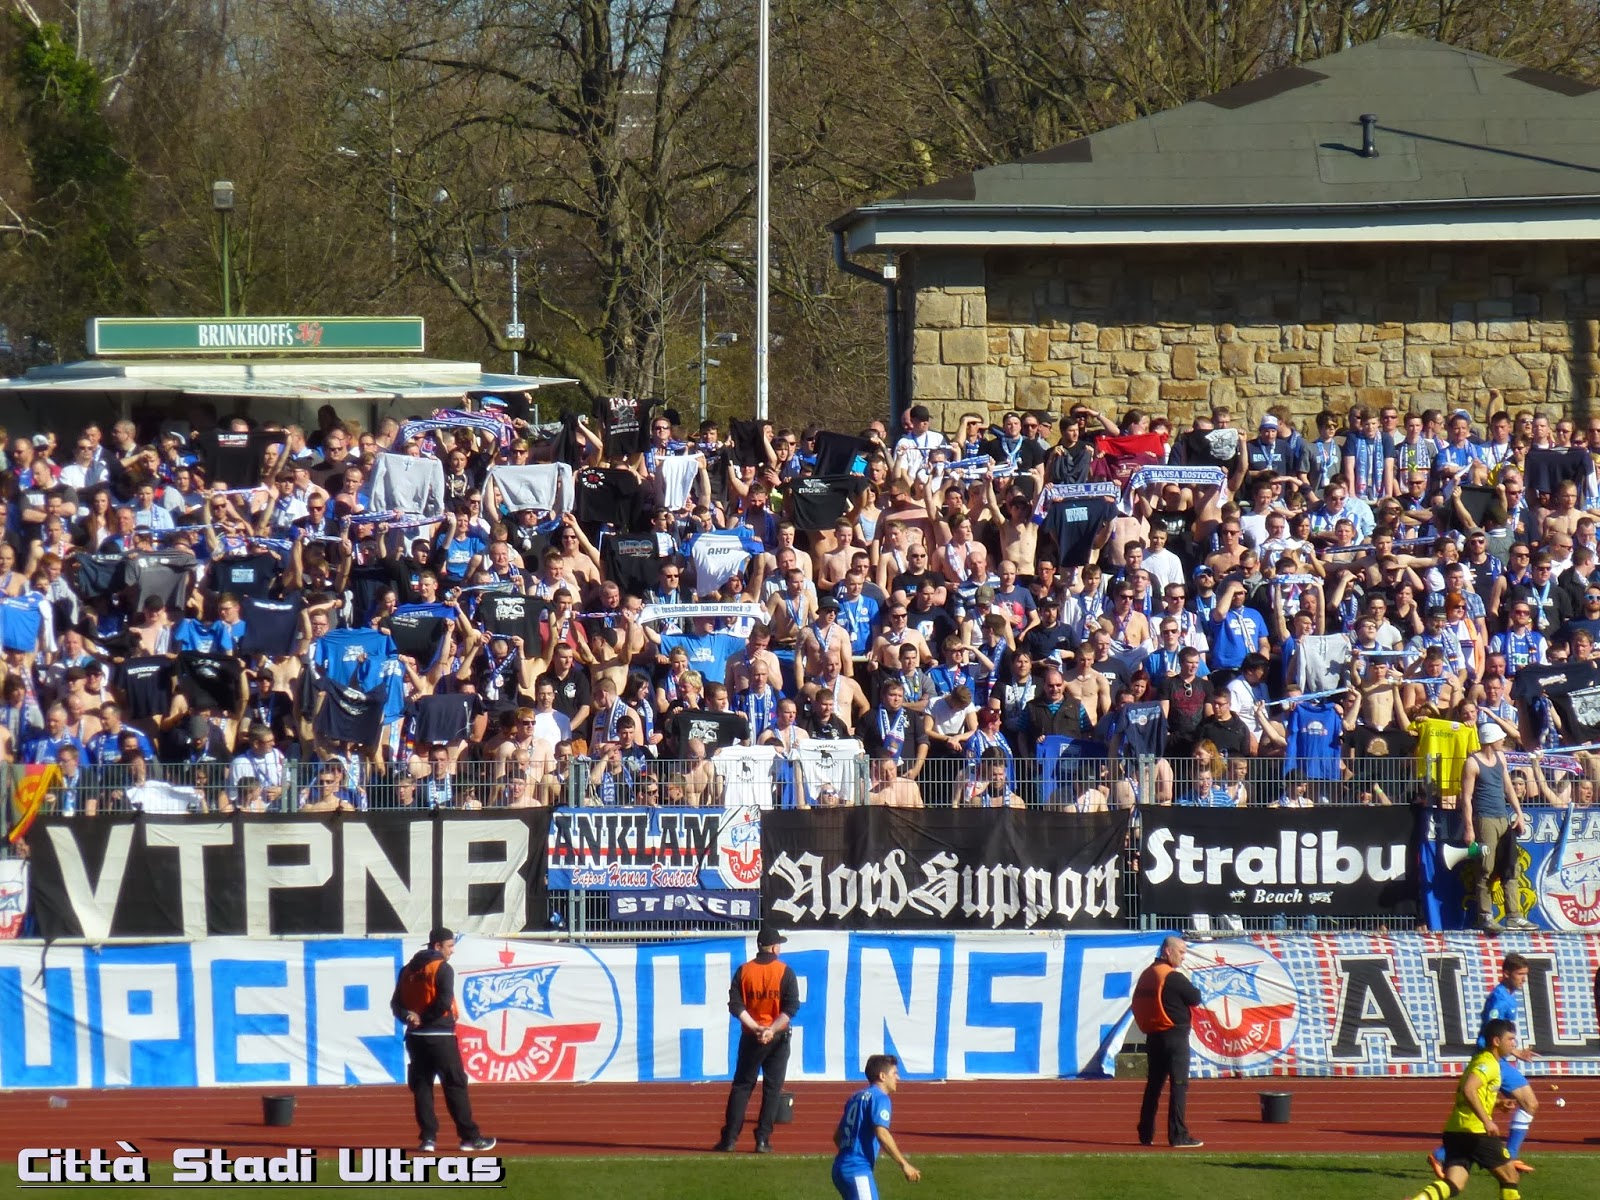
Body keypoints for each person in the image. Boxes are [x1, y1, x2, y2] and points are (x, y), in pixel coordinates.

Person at [1432, 953, 1541, 1179]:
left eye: (1525, 975)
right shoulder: (1500, 998)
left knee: (1519, 1104)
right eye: (1520, 974)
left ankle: (1443, 1155)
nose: (1524, 979)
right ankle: (1506, 1156)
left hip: (1497, 1059)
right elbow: (1491, 1031)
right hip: (1490, 1059)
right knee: (1528, 1103)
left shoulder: (1508, 996)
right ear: (1506, 973)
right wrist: (1515, 1051)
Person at [389, 927, 496, 1155]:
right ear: (437, 946)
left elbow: (396, 1004)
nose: (452, 951)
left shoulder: (407, 970)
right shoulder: (442, 968)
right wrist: (425, 1019)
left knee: (422, 1088)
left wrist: (410, 1017)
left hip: (415, 1038)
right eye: (450, 946)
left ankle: (428, 1138)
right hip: (440, 1036)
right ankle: (470, 1137)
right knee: (455, 1085)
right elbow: (444, 1002)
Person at [1404, 1019, 1525, 1200]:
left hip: (1455, 1130)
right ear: (1496, 1041)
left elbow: (1471, 1093)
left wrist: (1498, 1103)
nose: (1513, 1043)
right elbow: (1469, 1089)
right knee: (1510, 1176)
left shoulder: (1479, 1060)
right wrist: (1487, 1120)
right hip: (1476, 1132)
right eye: (1510, 1039)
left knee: (1454, 1182)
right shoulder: (1489, 1064)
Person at [715, 925, 800, 1154]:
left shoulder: (744, 971)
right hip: (778, 1037)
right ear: (774, 947)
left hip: (751, 1036)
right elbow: (791, 1007)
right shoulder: (785, 972)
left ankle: (730, 1139)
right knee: (772, 1089)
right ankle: (762, 1139)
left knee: (742, 1086)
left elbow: (735, 1005)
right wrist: (771, 1029)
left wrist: (756, 1028)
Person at [1459, 724, 1535, 934]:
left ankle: (1514, 915)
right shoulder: (1472, 763)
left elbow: (1508, 787)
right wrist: (1469, 828)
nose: (1503, 741)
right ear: (1492, 740)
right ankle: (1485, 915)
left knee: (1511, 866)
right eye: (1500, 738)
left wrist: (1518, 813)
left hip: (1503, 818)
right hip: (1485, 819)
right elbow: (1466, 797)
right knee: (1485, 867)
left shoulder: (1500, 758)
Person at [1131, 934, 1205, 1149]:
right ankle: (1178, 1135)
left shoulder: (1147, 974)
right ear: (1167, 951)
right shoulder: (1172, 977)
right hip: (1174, 1037)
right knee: (1179, 1086)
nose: (1183, 957)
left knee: (1153, 1086)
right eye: (1181, 952)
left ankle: (1145, 1132)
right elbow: (1195, 997)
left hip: (1154, 1036)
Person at [831, 1053, 921, 1200]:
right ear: (882, 1076)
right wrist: (904, 1164)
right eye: (895, 1073)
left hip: (840, 1167)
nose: (898, 1078)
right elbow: (882, 1133)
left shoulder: (855, 1097)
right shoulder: (880, 1098)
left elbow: (838, 1136)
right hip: (857, 1169)